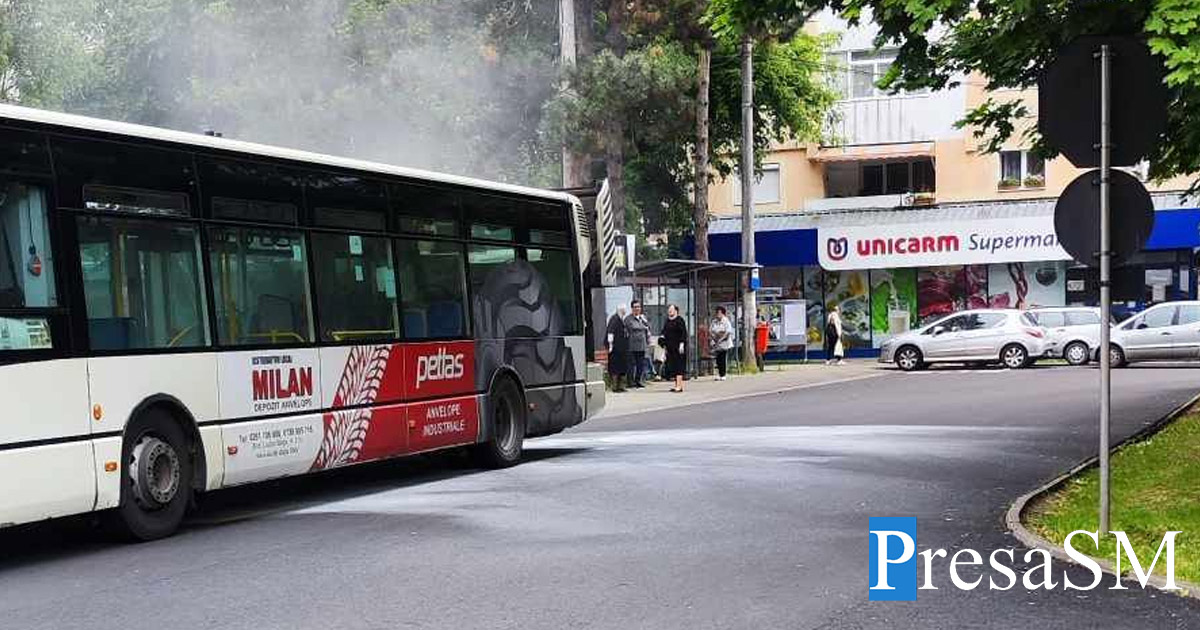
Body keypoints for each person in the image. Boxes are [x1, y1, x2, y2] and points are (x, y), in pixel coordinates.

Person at [661, 303, 688, 392]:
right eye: (669, 310)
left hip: (678, 347)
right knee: (673, 366)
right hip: (670, 347)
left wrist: (682, 344)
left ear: (676, 311)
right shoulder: (667, 321)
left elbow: (683, 333)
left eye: (671, 310)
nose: (669, 311)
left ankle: (679, 386)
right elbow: (664, 332)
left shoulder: (680, 320)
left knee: (679, 365)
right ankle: (676, 384)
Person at [624, 300, 650, 388]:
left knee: (640, 364)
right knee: (631, 365)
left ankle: (638, 380)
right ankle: (630, 382)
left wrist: (644, 324)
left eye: (638, 307)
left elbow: (648, 327)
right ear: (632, 308)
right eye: (635, 307)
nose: (637, 309)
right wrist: (643, 327)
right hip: (632, 345)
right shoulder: (628, 319)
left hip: (642, 345)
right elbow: (633, 327)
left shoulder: (643, 318)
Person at [606, 304, 629, 391]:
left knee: (622, 367)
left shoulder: (620, 319)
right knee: (615, 367)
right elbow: (610, 332)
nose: (625, 311)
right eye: (624, 310)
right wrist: (610, 345)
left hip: (621, 348)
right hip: (615, 349)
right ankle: (615, 386)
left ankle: (620, 386)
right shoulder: (614, 319)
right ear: (621, 310)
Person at [709, 306, 733, 381]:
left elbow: (728, 332)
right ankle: (719, 373)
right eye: (717, 313)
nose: (718, 315)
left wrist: (721, 339)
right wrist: (714, 337)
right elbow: (710, 330)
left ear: (723, 314)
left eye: (719, 313)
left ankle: (723, 374)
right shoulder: (714, 321)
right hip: (716, 342)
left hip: (724, 342)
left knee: (722, 358)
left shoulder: (726, 321)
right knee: (718, 359)